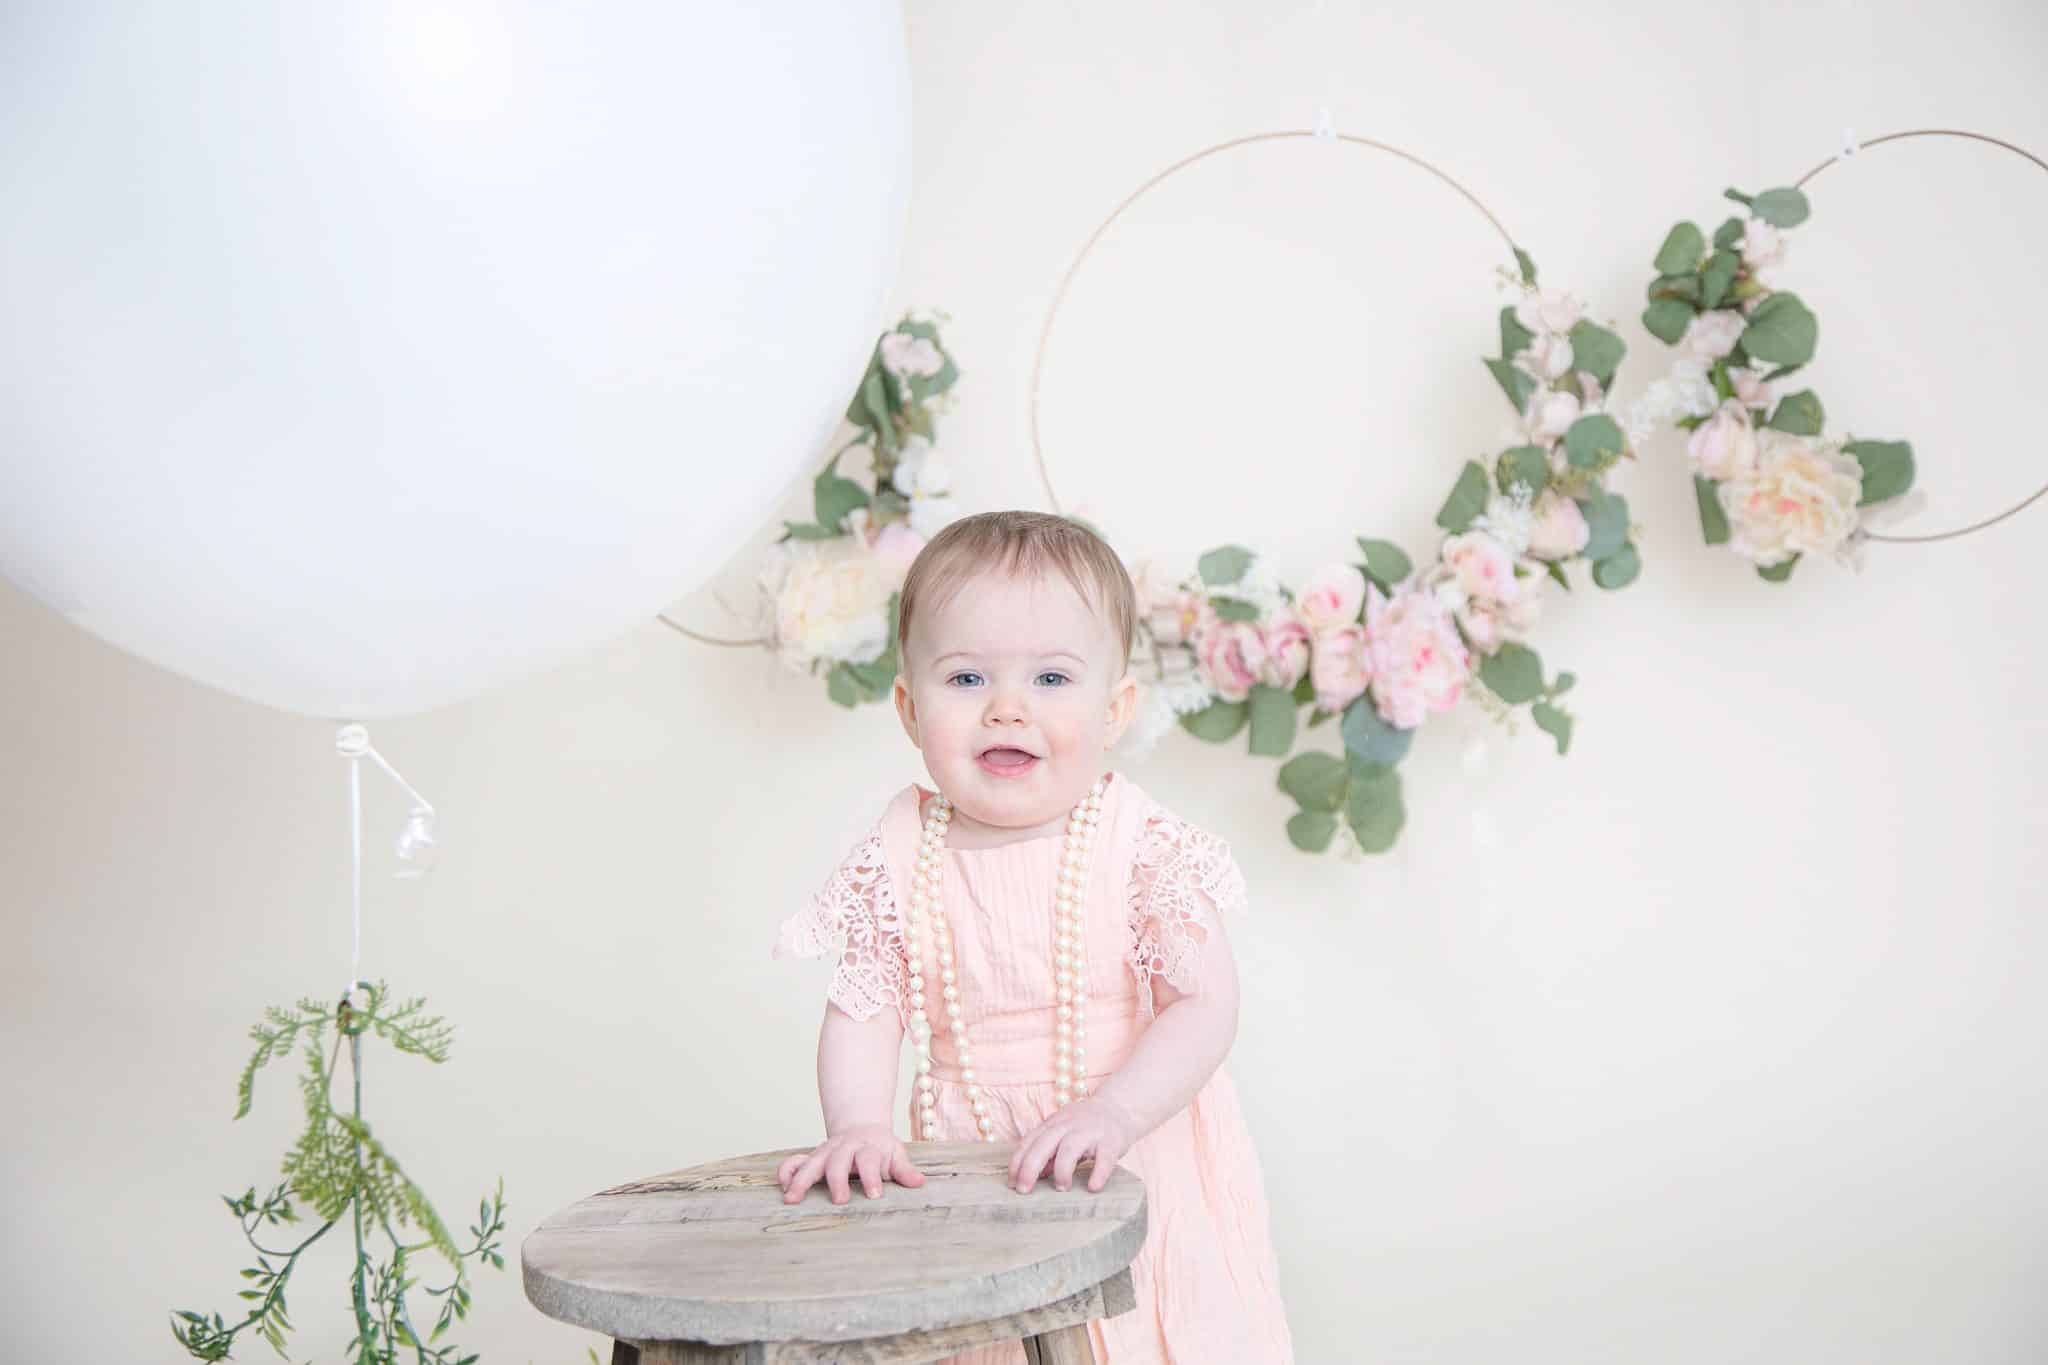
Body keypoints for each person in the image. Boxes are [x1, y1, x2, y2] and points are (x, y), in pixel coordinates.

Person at [772, 510, 1294, 1363]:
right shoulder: (902, 850)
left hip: (1136, 1156)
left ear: (1115, 707)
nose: (1008, 708)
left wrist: (1116, 1111)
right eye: (967, 679)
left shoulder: (1136, 841)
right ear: (909, 707)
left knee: (1154, 1338)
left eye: (1052, 680)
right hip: (974, 1173)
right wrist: (859, 1123)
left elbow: (1204, 1001)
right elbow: (863, 1008)